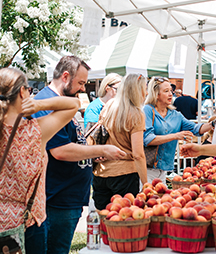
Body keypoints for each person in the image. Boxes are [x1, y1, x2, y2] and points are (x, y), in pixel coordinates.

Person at [26, 56, 126, 254]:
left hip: (65, 196)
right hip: (57, 198)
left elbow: (71, 143)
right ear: (65, 76)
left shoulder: (59, 102)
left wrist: (89, 155)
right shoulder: (46, 103)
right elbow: (60, 151)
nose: (82, 89)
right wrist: (102, 149)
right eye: (80, 83)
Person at [0, 68, 80, 253]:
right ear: (22, 92)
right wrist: (38, 105)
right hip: (28, 223)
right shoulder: (35, 132)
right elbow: (73, 104)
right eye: (28, 89)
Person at [91, 74, 148, 210]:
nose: (146, 93)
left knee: (103, 218)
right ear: (137, 91)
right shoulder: (136, 114)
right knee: (123, 222)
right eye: (144, 88)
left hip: (101, 172)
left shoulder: (109, 106)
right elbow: (138, 154)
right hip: (125, 175)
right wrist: (146, 184)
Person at [143, 77, 212, 184]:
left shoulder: (175, 115)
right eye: (166, 91)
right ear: (156, 94)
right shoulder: (148, 110)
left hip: (164, 168)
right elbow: (148, 139)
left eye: (171, 91)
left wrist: (213, 124)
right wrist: (175, 136)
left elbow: (196, 129)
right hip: (147, 168)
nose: (171, 94)